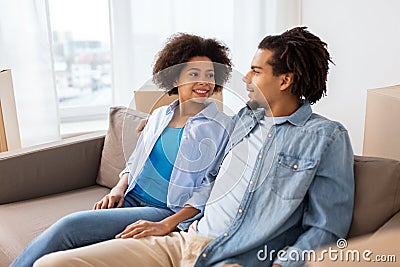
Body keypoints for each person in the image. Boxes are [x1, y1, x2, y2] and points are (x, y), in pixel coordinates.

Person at [33, 27, 354, 267]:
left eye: (256, 71)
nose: (245, 79)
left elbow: (326, 226)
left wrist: (281, 264)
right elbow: (213, 180)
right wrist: (164, 223)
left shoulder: (326, 138)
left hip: (230, 254)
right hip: (183, 237)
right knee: (52, 263)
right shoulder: (244, 119)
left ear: (285, 81)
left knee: (69, 229)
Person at [10, 33, 233, 267]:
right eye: (194, 74)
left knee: (69, 227)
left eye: (210, 74)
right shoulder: (159, 116)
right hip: (129, 198)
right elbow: (136, 162)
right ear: (174, 78)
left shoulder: (220, 127)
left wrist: (169, 223)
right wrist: (118, 189)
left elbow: (210, 188)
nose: (205, 82)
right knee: (75, 248)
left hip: (164, 211)